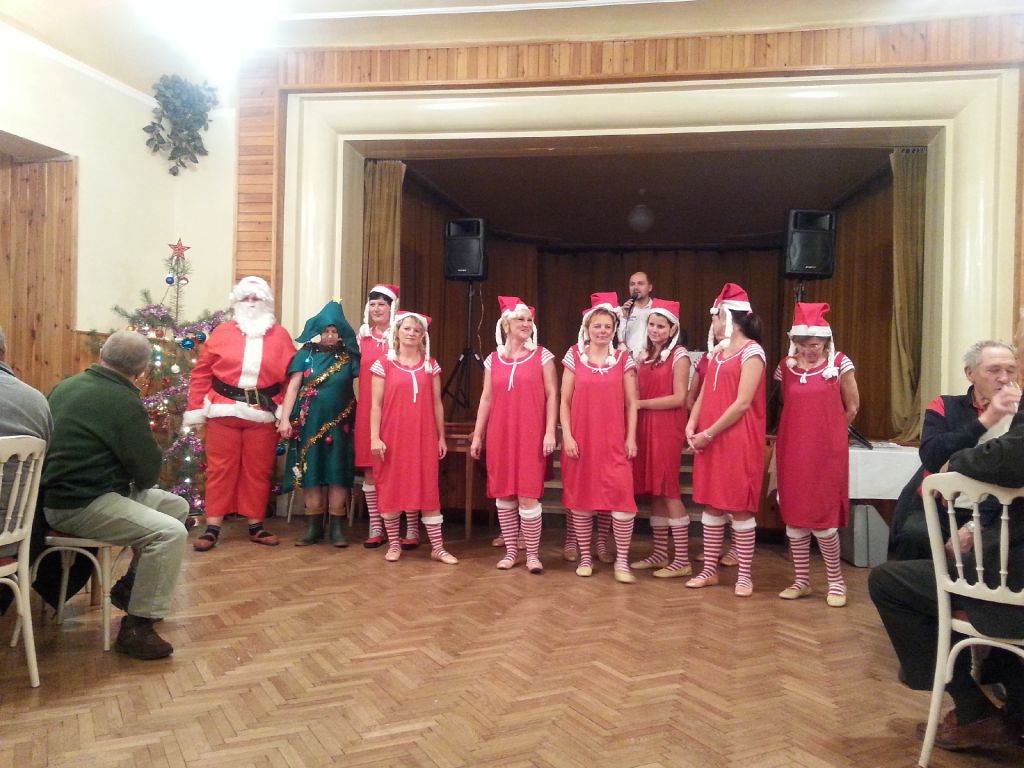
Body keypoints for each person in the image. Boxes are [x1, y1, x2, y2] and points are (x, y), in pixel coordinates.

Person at [869, 411, 1024, 752]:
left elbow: (1011, 457)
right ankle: (1016, 707)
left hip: (1011, 588)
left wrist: (956, 461)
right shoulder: (948, 407)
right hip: (993, 549)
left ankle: (973, 712)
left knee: (889, 584)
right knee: (927, 547)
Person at [41, 331, 189, 659]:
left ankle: (131, 590)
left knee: (176, 506)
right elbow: (147, 474)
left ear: (102, 355)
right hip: (81, 503)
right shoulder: (124, 401)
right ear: (141, 369)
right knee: (170, 532)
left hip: (61, 497)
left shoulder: (65, 387)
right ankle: (137, 628)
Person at [184, 276, 296, 551]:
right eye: (246, 298)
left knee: (258, 471)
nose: (251, 303)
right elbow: (202, 373)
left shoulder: (280, 336)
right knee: (219, 470)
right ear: (237, 301)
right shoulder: (222, 333)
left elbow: (291, 377)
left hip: (262, 414)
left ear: (266, 302)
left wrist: (283, 411)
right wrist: (196, 408)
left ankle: (256, 525)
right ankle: (213, 526)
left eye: (256, 298)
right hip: (223, 412)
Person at [891, 341, 1020, 561]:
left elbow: (1012, 473)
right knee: (916, 535)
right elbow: (932, 457)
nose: (1004, 378)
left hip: (999, 508)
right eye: (994, 370)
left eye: (1011, 370)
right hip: (941, 505)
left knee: (999, 550)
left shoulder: (1020, 415)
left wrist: (974, 525)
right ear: (970, 374)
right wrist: (987, 420)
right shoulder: (945, 405)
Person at [774, 303, 860, 607]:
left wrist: (831, 434)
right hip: (792, 449)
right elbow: (787, 403)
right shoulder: (785, 367)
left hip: (826, 452)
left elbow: (852, 406)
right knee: (795, 515)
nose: (810, 350)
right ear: (795, 342)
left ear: (825, 341)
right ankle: (801, 580)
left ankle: (836, 582)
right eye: (804, 344)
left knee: (823, 518)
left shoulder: (839, 363)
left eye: (815, 345)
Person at [685, 283, 766, 597]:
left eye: (716, 317)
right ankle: (709, 571)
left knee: (739, 508)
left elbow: (742, 403)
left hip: (737, 440)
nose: (713, 323)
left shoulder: (753, 352)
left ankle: (744, 576)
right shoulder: (717, 353)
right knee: (712, 504)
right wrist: (692, 423)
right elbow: (706, 393)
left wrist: (708, 433)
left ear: (730, 319)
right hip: (711, 438)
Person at [470, 296, 558, 573]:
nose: (526, 323)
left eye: (529, 320)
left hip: (531, 434)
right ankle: (510, 552)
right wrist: (477, 435)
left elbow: (553, 395)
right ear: (506, 324)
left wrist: (550, 432)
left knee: (528, 496)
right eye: (520, 319)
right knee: (505, 495)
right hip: (501, 434)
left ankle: (532, 554)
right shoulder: (492, 359)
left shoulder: (543, 356)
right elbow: (486, 398)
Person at [560, 292, 639, 583]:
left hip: (614, 441)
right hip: (582, 441)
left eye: (608, 326)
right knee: (581, 500)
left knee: (622, 501)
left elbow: (632, 403)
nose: (602, 331)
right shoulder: (574, 356)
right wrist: (567, 435)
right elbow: (564, 400)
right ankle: (585, 556)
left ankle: (622, 561)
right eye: (597, 326)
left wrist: (631, 438)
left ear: (615, 329)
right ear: (587, 328)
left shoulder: (623, 359)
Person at [369, 310, 457, 565]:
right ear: (397, 331)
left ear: (423, 336)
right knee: (392, 489)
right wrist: (375, 437)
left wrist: (441, 437)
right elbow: (375, 405)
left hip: (423, 437)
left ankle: (437, 548)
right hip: (393, 437)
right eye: (407, 328)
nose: (411, 333)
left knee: (428, 490)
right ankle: (394, 544)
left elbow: (437, 404)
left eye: (417, 330)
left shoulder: (430, 365)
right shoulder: (384, 364)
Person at [279, 300, 360, 547]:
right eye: (326, 331)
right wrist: (285, 418)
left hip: (341, 423)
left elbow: (367, 382)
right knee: (310, 470)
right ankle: (313, 527)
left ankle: (337, 528)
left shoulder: (349, 356)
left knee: (337, 472)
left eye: (335, 331)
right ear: (318, 331)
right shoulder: (305, 354)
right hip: (309, 422)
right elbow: (293, 387)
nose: (330, 335)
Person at [629, 299, 693, 578]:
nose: (655, 330)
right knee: (655, 490)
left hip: (667, 427)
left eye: (661, 326)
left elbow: (679, 398)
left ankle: (682, 560)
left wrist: (640, 404)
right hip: (645, 426)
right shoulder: (644, 355)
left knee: (668, 489)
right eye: (652, 325)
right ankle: (659, 553)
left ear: (672, 329)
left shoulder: (680, 356)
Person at [354, 284, 399, 548]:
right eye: (372, 304)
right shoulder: (362, 338)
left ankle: (405, 527)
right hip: (367, 411)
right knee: (370, 469)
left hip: (395, 410)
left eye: (382, 304)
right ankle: (376, 525)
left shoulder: (401, 336)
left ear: (392, 307)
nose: (376, 309)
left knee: (397, 468)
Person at [616, 271, 655, 359]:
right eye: (632, 284)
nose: (636, 287)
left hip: (651, 360)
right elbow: (618, 339)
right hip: (627, 360)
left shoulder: (657, 310)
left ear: (650, 287)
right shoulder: (620, 311)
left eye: (640, 284)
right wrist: (624, 317)